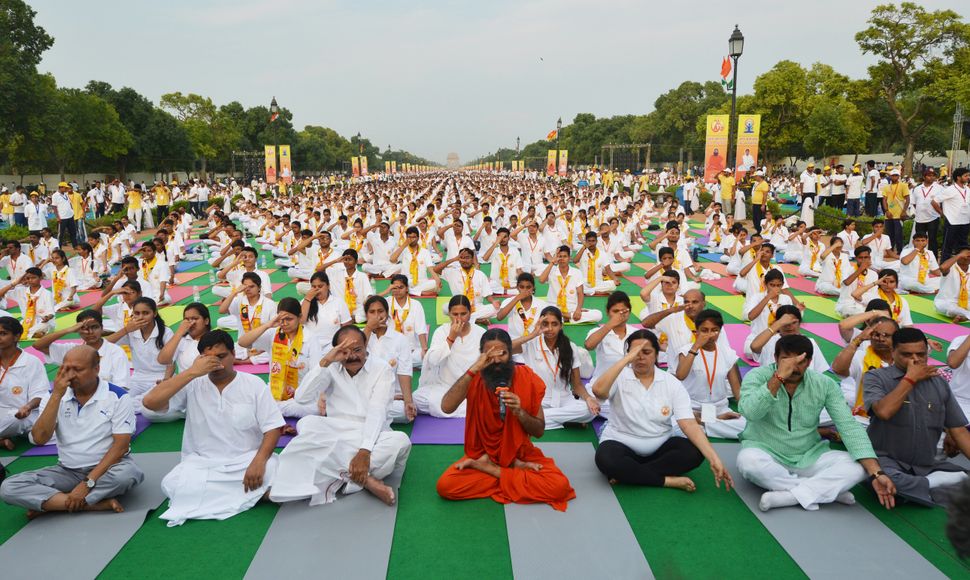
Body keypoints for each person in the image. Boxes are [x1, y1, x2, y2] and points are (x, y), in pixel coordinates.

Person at [737, 334, 896, 512]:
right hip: (765, 450)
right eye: (786, 360)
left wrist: (877, 473)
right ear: (775, 359)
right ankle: (824, 491)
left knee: (857, 468)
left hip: (809, 455)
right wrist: (778, 378)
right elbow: (750, 412)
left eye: (801, 361)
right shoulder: (757, 376)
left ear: (810, 361)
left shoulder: (824, 384)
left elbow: (848, 426)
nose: (793, 367)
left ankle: (790, 495)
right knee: (748, 462)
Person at [143, 331, 284, 526]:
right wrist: (191, 372)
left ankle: (231, 494)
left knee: (273, 467)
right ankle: (255, 495)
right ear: (199, 359)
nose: (216, 363)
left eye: (221, 356)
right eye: (208, 358)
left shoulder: (254, 384)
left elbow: (273, 428)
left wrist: (259, 462)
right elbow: (150, 403)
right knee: (171, 483)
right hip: (203, 465)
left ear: (233, 354)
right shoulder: (192, 383)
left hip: (245, 462)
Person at [435, 328, 577, 511]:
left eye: (501, 353)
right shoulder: (475, 378)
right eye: (489, 355)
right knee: (446, 486)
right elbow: (447, 407)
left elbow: (539, 431)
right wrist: (473, 369)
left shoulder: (527, 378)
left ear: (510, 353)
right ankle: (512, 474)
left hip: (520, 455)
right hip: (483, 453)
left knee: (558, 486)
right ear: (481, 355)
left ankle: (492, 470)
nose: (495, 360)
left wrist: (520, 412)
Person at [270, 326, 411, 506]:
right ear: (336, 350)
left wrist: (364, 451)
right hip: (336, 431)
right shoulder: (331, 366)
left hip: (371, 435)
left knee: (400, 441)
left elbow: (377, 411)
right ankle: (363, 479)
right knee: (307, 423)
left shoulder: (381, 369)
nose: (352, 356)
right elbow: (301, 397)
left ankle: (335, 470)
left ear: (366, 345)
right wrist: (325, 361)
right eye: (345, 351)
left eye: (357, 350)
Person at [0, 345, 144, 516]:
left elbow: (121, 446)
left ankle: (53, 503)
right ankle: (91, 504)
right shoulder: (53, 396)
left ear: (96, 369)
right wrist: (56, 396)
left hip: (109, 469)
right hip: (68, 470)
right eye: (66, 369)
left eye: (78, 369)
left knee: (128, 475)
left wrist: (87, 483)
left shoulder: (118, 397)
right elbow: (39, 439)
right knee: (9, 487)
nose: (70, 375)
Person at [591, 329, 733, 492]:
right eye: (635, 353)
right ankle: (665, 480)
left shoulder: (670, 382)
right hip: (621, 442)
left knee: (694, 452)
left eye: (646, 352)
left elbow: (688, 424)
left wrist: (714, 458)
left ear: (657, 354)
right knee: (606, 459)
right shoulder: (619, 376)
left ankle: (629, 473)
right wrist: (626, 360)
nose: (640, 357)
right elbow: (598, 391)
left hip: (660, 445)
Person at [864, 328, 969, 506]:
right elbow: (884, 411)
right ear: (893, 352)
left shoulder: (939, 383)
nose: (915, 360)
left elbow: (959, 431)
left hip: (926, 466)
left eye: (921, 354)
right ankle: (932, 486)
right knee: (885, 479)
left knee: (965, 478)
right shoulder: (876, 377)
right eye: (906, 354)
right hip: (887, 462)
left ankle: (920, 489)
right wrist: (910, 379)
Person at [512, 307, 598, 429]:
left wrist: (589, 398)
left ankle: (534, 420)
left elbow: (577, 384)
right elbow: (505, 348)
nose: (550, 329)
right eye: (545, 324)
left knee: (589, 411)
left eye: (554, 324)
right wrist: (532, 334)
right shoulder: (531, 343)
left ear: (561, 326)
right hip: (539, 400)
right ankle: (565, 421)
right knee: (522, 410)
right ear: (540, 324)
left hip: (565, 399)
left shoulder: (570, 347)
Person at [238, 297, 323, 418]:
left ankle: (271, 408)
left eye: (289, 319)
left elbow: (317, 373)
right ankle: (273, 407)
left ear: (299, 317)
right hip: (275, 390)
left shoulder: (310, 338)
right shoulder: (273, 333)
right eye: (281, 319)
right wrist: (268, 325)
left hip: (301, 395)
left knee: (314, 409)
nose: (285, 323)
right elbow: (242, 342)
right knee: (252, 396)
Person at [673, 310, 745, 439]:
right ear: (697, 330)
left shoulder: (727, 353)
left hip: (720, 409)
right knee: (675, 427)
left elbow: (737, 390)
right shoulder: (686, 351)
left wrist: (748, 413)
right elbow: (680, 375)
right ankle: (712, 423)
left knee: (746, 426)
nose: (709, 335)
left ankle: (705, 423)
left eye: (714, 330)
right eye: (704, 330)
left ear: (720, 331)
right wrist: (695, 347)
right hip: (692, 409)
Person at [413, 295, 485, 418]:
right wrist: (451, 337)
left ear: (470, 312)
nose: (459, 318)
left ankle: (462, 407)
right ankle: (474, 409)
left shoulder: (480, 333)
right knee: (416, 399)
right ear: (449, 314)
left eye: (463, 314)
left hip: (473, 388)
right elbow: (433, 360)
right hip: (445, 388)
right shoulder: (441, 331)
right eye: (455, 314)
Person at [33, 311, 130, 390]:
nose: (90, 332)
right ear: (78, 330)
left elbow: (122, 387)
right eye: (84, 328)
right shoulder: (72, 350)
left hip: (107, 402)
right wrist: (68, 330)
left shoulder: (115, 352)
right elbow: (38, 346)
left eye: (94, 327)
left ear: (102, 328)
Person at [106, 297, 174, 401]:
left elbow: (171, 363)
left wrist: (165, 381)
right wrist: (126, 329)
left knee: (148, 401)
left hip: (160, 377)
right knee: (120, 399)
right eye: (137, 313)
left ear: (154, 313)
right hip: (138, 378)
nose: (141, 317)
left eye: (146, 313)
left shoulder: (166, 332)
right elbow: (105, 344)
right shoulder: (131, 331)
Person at [361, 296, 416, 424]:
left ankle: (365, 417)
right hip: (364, 394)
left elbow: (404, 372)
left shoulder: (400, 339)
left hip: (391, 397)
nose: (377, 316)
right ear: (366, 315)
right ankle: (369, 414)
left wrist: (408, 401)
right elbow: (356, 356)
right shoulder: (359, 336)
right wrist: (368, 329)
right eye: (372, 312)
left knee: (405, 413)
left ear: (387, 313)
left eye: (380, 311)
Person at [0, 317, 50, 450]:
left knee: (15, 420)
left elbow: (40, 395)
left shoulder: (31, 362)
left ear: (16, 336)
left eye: (3, 334)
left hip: (24, 415)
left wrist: (27, 407)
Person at [218, 273, 278, 363]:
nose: (248, 289)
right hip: (242, 345)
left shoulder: (269, 304)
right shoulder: (240, 301)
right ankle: (247, 355)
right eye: (245, 286)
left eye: (252, 286)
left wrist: (261, 350)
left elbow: (275, 330)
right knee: (222, 351)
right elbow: (222, 310)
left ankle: (242, 361)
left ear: (259, 288)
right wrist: (234, 293)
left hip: (263, 345)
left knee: (276, 352)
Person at [300, 271, 352, 353]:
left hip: (332, 346)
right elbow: (301, 321)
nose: (317, 289)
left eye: (320, 286)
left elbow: (347, 327)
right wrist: (308, 299)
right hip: (309, 345)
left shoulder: (338, 302)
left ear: (328, 286)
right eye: (313, 287)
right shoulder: (305, 301)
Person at [386, 274, 429, 368]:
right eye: (394, 288)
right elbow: (369, 302)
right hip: (391, 349)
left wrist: (424, 350)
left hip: (412, 350)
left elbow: (421, 330)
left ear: (407, 288)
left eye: (401, 287)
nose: (397, 291)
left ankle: (398, 365)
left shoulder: (416, 305)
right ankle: (403, 364)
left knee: (427, 359)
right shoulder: (386, 303)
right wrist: (386, 291)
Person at [0, 267, 55, 339]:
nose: (30, 280)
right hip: (26, 321)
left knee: (46, 325)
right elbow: (1, 294)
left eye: (33, 278)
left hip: (41, 321)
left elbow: (51, 312)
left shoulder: (47, 293)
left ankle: (25, 333)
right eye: (28, 278)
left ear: (41, 277)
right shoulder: (21, 291)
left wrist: (47, 318)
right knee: (12, 326)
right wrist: (15, 283)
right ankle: (33, 334)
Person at [938, 168, 970, 262]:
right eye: (966, 176)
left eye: (968, 175)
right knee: (948, 245)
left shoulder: (967, 189)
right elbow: (934, 202)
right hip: (952, 222)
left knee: (963, 245)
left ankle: (961, 266)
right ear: (958, 177)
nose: (968, 177)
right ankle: (944, 266)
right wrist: (942, 214)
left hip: (965, 221)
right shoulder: (950, 189)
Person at [935, 246, 970, 322]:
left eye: (968, 256)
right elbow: (943, 267)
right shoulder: (950, 267)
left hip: (967, 303)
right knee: (951, 309)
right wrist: (960, 255)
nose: (966, 258)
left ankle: (964, 316)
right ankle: (966, 315)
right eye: (964, 256)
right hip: (947, 302)